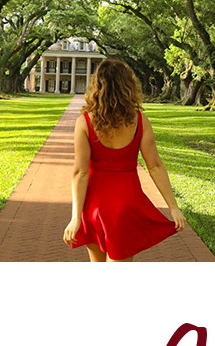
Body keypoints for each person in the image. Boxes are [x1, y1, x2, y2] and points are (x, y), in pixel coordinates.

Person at [63, 57, 185, 260]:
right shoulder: (140, 120)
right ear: (128, 86)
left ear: (97, 86)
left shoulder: (84, 122)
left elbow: (80, 172)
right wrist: (173, 207)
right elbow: (154, 165)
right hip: (126, 205)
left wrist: (75, 218)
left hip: (94, 205)